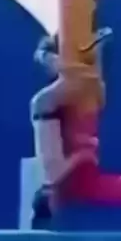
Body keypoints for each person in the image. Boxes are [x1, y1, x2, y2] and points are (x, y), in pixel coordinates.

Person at [30, 27, 112, 227]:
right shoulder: (51, 181)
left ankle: (48, 56)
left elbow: (73, 160)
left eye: (55, 208)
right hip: (48, 112)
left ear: (50, 202)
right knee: (97, 93)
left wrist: (88, 155)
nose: (59, 206)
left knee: (88, 81)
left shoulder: (52, 177)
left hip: (45, 108)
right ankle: (95, 49)